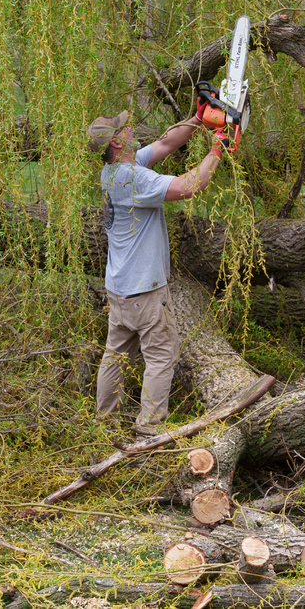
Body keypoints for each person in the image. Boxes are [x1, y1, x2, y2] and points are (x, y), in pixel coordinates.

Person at [88, 105, 225, 437]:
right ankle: (149, 433)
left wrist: (197, 118)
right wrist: (219, 148)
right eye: (123, 128)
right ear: (117, 144)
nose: (129, 128)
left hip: (119, 288)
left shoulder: (114, 171)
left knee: (116, 355)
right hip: (144, 292)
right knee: (162, 356)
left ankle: (104, 425)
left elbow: (165, 145)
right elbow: (187, 186)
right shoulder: (133, 179)